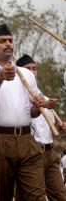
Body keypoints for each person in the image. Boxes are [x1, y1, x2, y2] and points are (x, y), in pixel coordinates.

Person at [0, 23, 50, 201]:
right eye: (2, 41)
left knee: (37, 195)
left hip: (27, 140)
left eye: (10, 40)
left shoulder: (26, 74)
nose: (8, 44)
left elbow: (32, 112)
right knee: (0, 195)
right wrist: (0, 74)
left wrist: (39, 106)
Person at [15, 54, 66, 200]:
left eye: (34, 68)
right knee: (29, 196)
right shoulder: (17, 98)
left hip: (49, 153)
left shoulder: (44, 98)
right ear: (19, 72)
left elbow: (49, 129)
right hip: (31, 153)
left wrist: (59, 128)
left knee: (59, 195)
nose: (32, 71)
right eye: (28, 69)